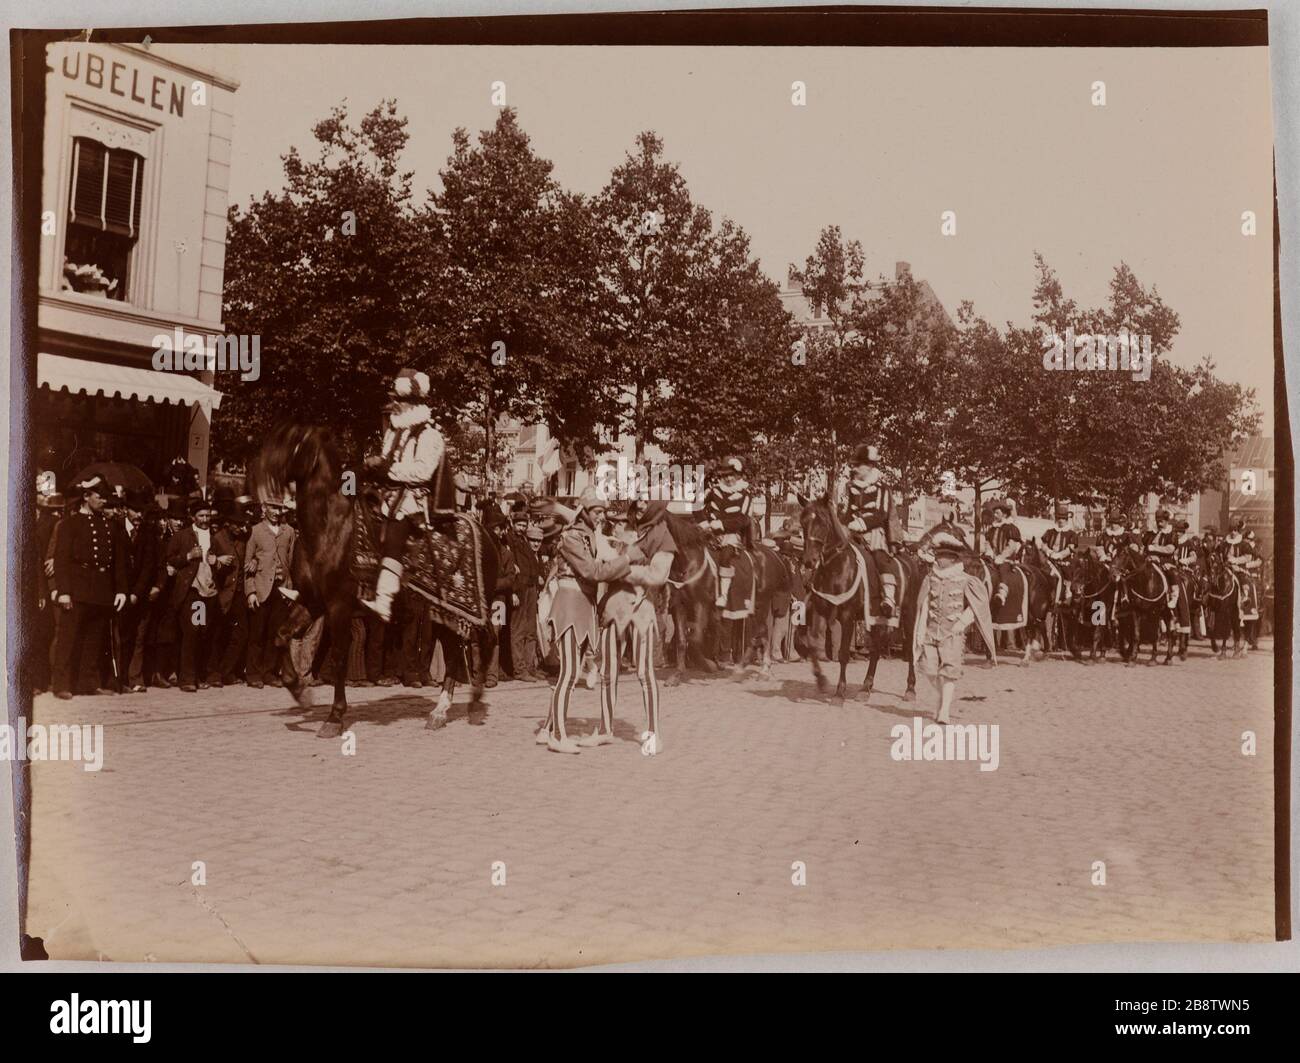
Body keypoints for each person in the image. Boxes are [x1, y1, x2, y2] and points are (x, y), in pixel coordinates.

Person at [536, 487, 635, 754]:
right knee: (568, 673)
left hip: (583, 606)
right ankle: (557, 735)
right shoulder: (572, 537)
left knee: (570, 671)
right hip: (569, 604)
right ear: (585, 511)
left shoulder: (588, 535)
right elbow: (592, 571)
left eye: (603, 511)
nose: (601, 516)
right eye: (597, 511)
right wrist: (627, 560)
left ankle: (547, 729)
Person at [582, 498, 675, 754]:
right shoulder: (621, 531)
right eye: (639, 502)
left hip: (640, 610)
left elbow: (657, 576)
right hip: (614, 607)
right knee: (607, 673)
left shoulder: (663, 538)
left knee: (645, 674)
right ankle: (604, 729)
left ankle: (654, 733)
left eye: (647, 502)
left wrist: (619, 569)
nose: (642, 507)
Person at [363, 368, 447, 621]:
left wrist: (389, 469)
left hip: (412, 502)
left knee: (396, 533)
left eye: (399, 401)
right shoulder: (393, 433)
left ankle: (384, 600)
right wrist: (375, 465)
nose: (394, 405)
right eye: (395, 400)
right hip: (387, 495)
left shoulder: (430, 435)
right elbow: (387, 463)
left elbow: (422, 472)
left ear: (414, 404)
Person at [50, 475, 127, 698]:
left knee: (93, 640)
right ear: (86, 496)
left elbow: (118, 562)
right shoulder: (69, 524)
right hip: (77, 589)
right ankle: (61, 684)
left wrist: (121, 589)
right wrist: (63, 591)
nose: (104, 501)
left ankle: (86, 683)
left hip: (102, 590)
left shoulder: (111, 526)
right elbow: (61, 560)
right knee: (68, 638)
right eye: (99, 497)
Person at [913, 529, 996, 724]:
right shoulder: (929, 578)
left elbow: (979, 604)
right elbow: (922, 604)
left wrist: (962, 622)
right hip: (931, 630)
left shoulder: (966, 579)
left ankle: (944, 710)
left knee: (949, 671)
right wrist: (921, 629)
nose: (938, 559)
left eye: (942, 556)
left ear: (951, 558)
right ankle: (942, 698)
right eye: (938, 555)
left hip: (953, 632)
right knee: (929, 670)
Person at [165, 495, 225, 692]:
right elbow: (170, 559)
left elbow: (217, 565)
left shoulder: (214, 539)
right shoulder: (182, 536)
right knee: (192, 632)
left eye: (208, 515)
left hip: (209, 592)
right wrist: (188, 556)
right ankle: (187, 678)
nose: (205, 519)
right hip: (193, 592)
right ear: (193, 517)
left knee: (203, 633)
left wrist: (218, 562)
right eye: (201, 515)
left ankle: (199, 675)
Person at [244, 498, 297, 688]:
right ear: (264, 508)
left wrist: (289, 587)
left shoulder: (288, 531)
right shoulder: (255, 531)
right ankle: (253, 673)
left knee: (275, 633)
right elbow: (247, 563)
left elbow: (291, 562)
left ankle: (270, 672)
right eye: (273, 507)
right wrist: (250, 592)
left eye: (280, 508)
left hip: (281, 589)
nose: (277, 512)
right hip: (261, 588)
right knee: (257, 633)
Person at [841, 443, 896, 616]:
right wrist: (844, 525)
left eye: (858, 465)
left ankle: (889, 598)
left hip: (874, 535)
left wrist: (862, 524)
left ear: (870, 466)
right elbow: (847, 512)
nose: (854, 468)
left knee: (880, 558)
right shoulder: (850, 488)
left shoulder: (882, 489)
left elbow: (882, 514)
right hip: (853, 534)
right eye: (854, 465)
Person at [698, 456, 752, 609]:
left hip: (732, 536)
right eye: (725, 475)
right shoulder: (714, 491)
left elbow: (742, 520)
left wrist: (720, 524)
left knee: (725, 556)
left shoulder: (745, 494)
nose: (728, 479)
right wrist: (703, 523)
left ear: (738, 475)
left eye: (731, 475)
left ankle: (723, 594)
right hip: (709, 533)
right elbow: (696, 505)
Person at [983, 500, 1022, 605]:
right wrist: (989, 551)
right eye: (994, 513)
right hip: (992, 556)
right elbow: (987, 542)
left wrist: (1001, 556)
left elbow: (1012, 546)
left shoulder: (1011, 528)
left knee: (1003, 568)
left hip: (1006, 559)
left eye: (997, 513)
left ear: (1004, 514)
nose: (995, 515)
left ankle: (1002, 592)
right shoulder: (992, 528)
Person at [1039, 505, 1076, 605]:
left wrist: (1060, 555)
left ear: (1066, 519)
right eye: (1059, 518)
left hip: (1064, 560)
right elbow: (1043, 544)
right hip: (1049, 559)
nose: (1060, 520)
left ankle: (1066, 594)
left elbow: (1070, 548)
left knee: (1065, 573)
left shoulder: (1071, 534)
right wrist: (1049, 552)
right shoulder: (1050, 531)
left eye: (1063, 518)